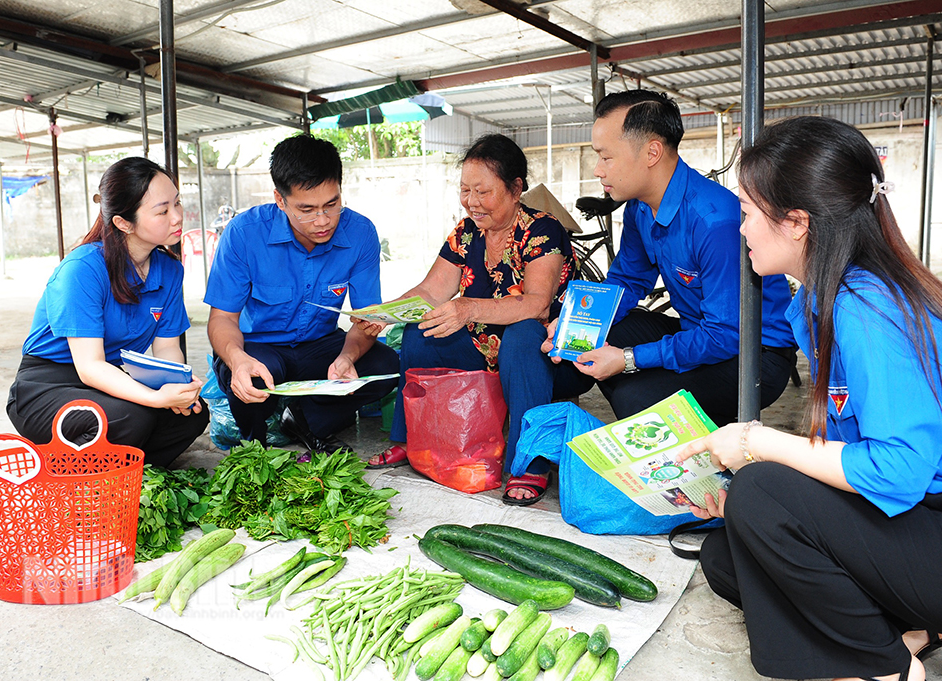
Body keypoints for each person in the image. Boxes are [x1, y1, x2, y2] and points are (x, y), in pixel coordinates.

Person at [677, 116, 942, 681]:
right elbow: (843, 446)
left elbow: (898, 471)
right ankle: (917, 628)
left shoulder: (869, 308)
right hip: (918, 520)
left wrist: (758, 443)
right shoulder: (818, 301)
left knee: (762, 495)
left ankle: (882, 667)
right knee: (729, 551)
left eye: (746, 215)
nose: (739, 230)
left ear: (797, 223)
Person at [506, 89, 798, 503]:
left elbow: (727, 335)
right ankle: (532, 461)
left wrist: (626, 360)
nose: (598, 168)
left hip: (755, 356)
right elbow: (627, 280)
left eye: (606, 156)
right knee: (533, 339)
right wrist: (574, 321)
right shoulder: (641, 208)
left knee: (633, 393)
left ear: (652, 152)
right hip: (703, 332)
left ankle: (713, 474)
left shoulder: (714, 219)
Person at [367, 134, 589, 503]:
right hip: (487, 349)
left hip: (551, 356)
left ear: (516, 189)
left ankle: (529, 462)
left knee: (522, 335)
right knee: (419, 333)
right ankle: (415, 440)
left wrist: (468, 307)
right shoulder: (467, 232)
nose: (471, 202)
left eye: (483, 192)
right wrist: (382, 314)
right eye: (465, 190)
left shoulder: (543, 230)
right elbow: (431, 291)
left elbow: (536, 304)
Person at [7, 157, 208, 467]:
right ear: (123, 222)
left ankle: (130, 474)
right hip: (47, 387)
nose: (177, 216)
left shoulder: (169, 270)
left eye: (178, 203)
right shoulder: (82, 269)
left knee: (192, 414)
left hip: (108, 379)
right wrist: (156, 397)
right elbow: (90, 367)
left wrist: (177, 384)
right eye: (163, 210)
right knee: (130, 416)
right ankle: (77, 477)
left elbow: (168, 347)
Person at [205, 133, 398, 453]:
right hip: (260, 347)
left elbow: (366, 320)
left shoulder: (360, 232)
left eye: (332, 204)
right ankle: (256, 442)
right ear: (280, 201)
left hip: (320, 347)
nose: (322, 221)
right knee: (252, 381)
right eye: (306, 209)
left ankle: (300, 418)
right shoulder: (244, 234)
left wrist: (347, 358)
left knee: (386, 366)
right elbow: (222, 318)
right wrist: (237, 360)